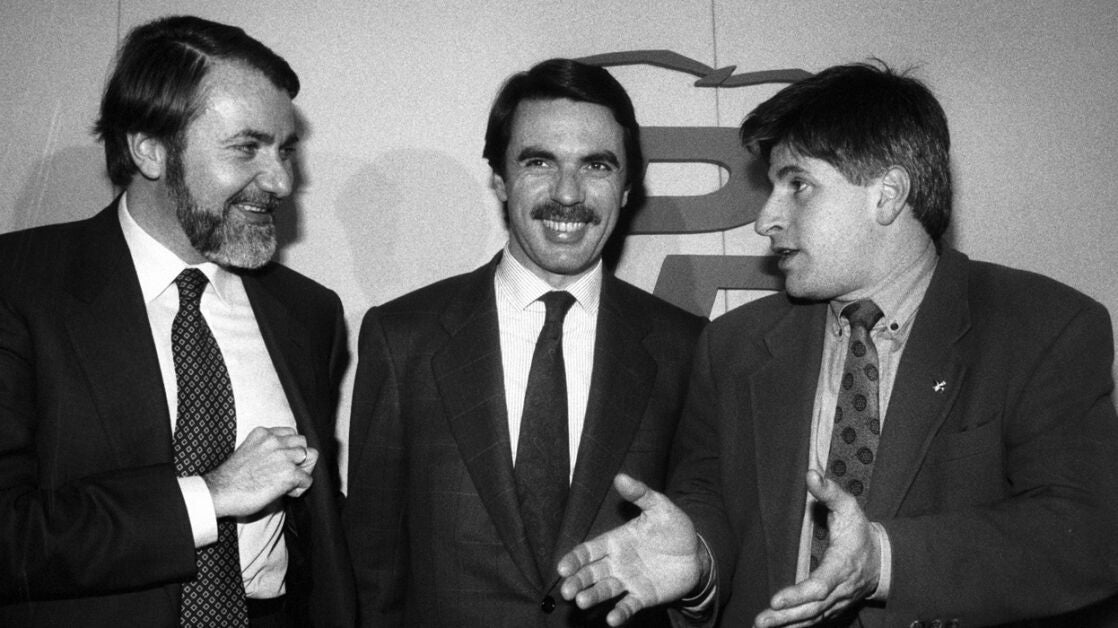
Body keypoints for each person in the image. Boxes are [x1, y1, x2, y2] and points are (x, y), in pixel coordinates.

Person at [556, 61, 1118, 627]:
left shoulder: (1042, 328)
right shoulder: (733, 346)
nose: (766, 219)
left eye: (797, 185)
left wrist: (884, 560)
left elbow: (1090, 535)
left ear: (887, 195)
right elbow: (712, 502)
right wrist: (700, 561)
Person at [0, 15, 354, 627]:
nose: (281, 181)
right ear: (150, 149)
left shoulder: (309, 313)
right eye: (246, 147)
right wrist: (209, 496)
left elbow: (318, 528)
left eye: (285, 149)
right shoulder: (19, 285)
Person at [343, 58, 705, 626]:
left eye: (597, 165)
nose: (568, 193)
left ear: (628, 188)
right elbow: (372, 568)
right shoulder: (403, 339)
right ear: (500, 179)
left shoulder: (685, 348)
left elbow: (700, 546)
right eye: (539, 162)